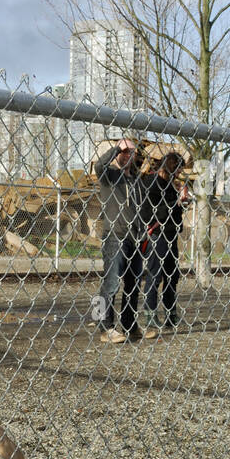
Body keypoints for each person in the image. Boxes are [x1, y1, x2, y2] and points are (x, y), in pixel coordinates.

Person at [93, 137, 146, 343]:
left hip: (135, 237)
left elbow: (140, 207)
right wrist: (117, 147)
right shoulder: (110, 175)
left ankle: (130, 325)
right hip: (115, 235)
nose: (127, 155)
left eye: (130, 152)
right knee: (111, 282)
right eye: (124, 152)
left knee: (133, 284)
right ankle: (104, 327)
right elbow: (99, 165)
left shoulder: (135, 180)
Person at [140, 152, 188, 338]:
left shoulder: (170, 185)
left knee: (172, 276)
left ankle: (171, 314)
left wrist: (179, 204)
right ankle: (150, 314)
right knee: (155, 275)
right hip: (157, 236)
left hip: (171, 235)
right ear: (171, 166)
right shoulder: (151, 183)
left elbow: (173, 212)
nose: (180, 173)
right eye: (178, 168)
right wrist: (175, 203)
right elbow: (149, 212)